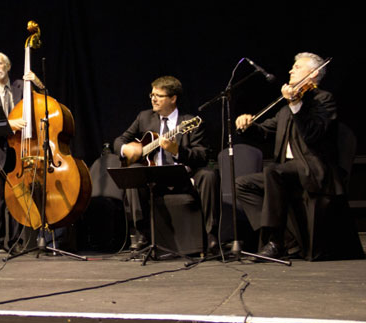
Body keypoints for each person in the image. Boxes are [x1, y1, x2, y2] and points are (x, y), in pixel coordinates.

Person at [235, 52, 342, 260]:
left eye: (297, 67)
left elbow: (312, 134)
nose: (291, 70)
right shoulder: (286, 109)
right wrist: (248, 125)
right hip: (286, 172)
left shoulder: (323, 100)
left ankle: (274, 241)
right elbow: (265, 131)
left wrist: (295, 105)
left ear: (313, 74)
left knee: (273, 170)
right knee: (243, 183)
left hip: (313, 168)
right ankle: (286, 239)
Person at [113, 76, 219, 252]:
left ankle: (212, 236)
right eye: (152, 94)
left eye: (159, 96)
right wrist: (126, 149)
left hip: (183, 177)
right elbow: (120, 140)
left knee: (209, 175)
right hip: (155, 178)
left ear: (173, 98)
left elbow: (201, 156)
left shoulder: (189, 122)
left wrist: (177, 150)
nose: (153, 99)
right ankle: (142, 234)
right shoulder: (144, 117)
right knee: (133, 171)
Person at [0, 51, 44, 253]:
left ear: (8, 66)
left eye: (0, 64)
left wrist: (38, 83)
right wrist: (10, 124)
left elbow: (43, 102)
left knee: (16, 200)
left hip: (19, 152)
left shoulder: (22, 87)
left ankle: (15, 242)